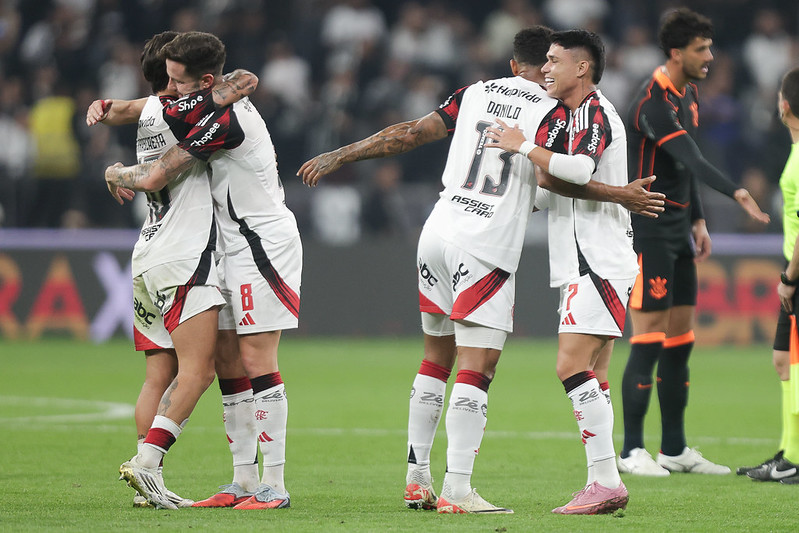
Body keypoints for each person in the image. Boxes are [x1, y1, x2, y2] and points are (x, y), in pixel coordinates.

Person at [298, 26, 663, 514]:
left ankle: (416, 477)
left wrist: (342, 152)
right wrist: (621, 194)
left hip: (438, 231)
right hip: (485, 245)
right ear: (542, 67)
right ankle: (460, 488)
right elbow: (557, 177)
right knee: (480, 367)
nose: (550, 71)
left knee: (435, 358)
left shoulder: (475, 93)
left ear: (514, 64)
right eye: (548, 62)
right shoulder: (554, 111)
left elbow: (409, 134)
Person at [104, 31, 301, 511]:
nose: (168, 90)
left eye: (176, 81)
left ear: (206, 81)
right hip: (224, 245)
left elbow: (153, 175)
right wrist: (111, 105)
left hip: (260, 242)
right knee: (229, 361)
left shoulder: (226, 118)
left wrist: (114, 172)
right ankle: (242, 481)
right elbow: (148, 107)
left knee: (258, 360)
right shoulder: (203, 105)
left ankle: (274, 485)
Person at [485, 29, 636, 515]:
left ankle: (607, 481)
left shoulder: (596, 112)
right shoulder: (566, 116)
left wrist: (522, 146)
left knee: (570, 366)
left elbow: (576, 170)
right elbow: (554, 181)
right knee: (594, 372)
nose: (544, 69)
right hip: (584, 257)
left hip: (598, 257)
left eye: (553, 61)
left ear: (582, 68)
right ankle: (602, 478)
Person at [618, 7, 769, 477]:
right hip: (649, 233)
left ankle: (675, 449)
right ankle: (631, 451)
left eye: (710, 47)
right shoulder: (651, 103)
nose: (710, 56)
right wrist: (739, 191)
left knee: (680, 342)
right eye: (702, 49)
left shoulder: (690, 95)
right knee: (647, 340)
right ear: (676, 52)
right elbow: (694, 158)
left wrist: (699, 220)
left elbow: (683, 170)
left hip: (680, 231)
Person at [738, 67, 799, 484]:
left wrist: (790, 278)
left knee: (793, 365)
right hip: (792, 269)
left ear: (786, 103)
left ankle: (794, 459)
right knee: (784, 362)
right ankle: (788, 452)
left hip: (797, 273)